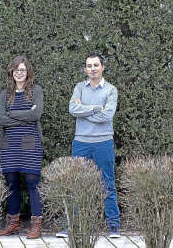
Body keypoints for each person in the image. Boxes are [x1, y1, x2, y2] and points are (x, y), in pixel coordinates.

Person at [57, 51, 120, 238]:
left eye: (96, 65)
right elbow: (72, 109)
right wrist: (95, 109)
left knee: (107, 184)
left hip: (103, 142)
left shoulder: (111, 90)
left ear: (102, 67)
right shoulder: (79, 87)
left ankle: (114, 226)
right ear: (85, 69)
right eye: (89, 66)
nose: (92, 69)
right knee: (75, 183)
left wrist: (84, 111)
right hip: (81, 142)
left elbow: (107, 116)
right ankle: (71, 227)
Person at [0, 56, 44, 239]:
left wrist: (12, 114)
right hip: (9, 143)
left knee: (33, 183)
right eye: (16, 70)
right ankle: (12, 223)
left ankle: (36, 225)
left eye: (22, 70)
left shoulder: (36, 91)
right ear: (11, 72)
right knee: (11, 184)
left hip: (30, 143)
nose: (19, 73)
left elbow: (36, 114)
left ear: (28, 72)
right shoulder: (4, 94)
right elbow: (1, 119)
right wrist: (26, 114)